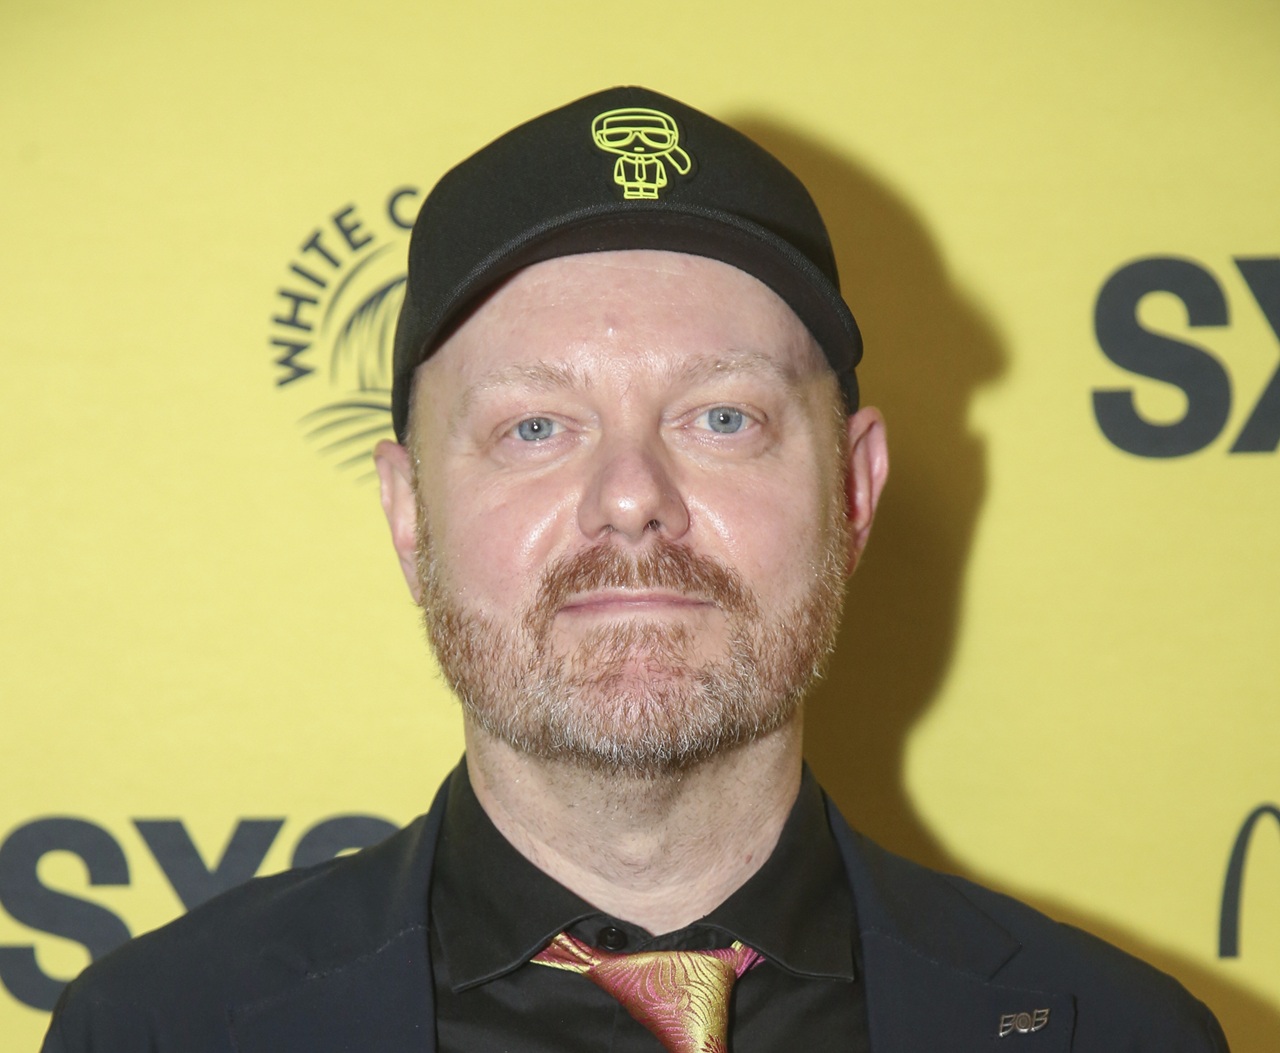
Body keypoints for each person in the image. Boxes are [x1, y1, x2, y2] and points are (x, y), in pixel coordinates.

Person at [42, 86, 1228, 1053]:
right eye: (533, 427)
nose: (629, 497)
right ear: (408, 511)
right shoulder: (156, 1031)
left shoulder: (1120, 1035)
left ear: (852, 490)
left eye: (721, 418)